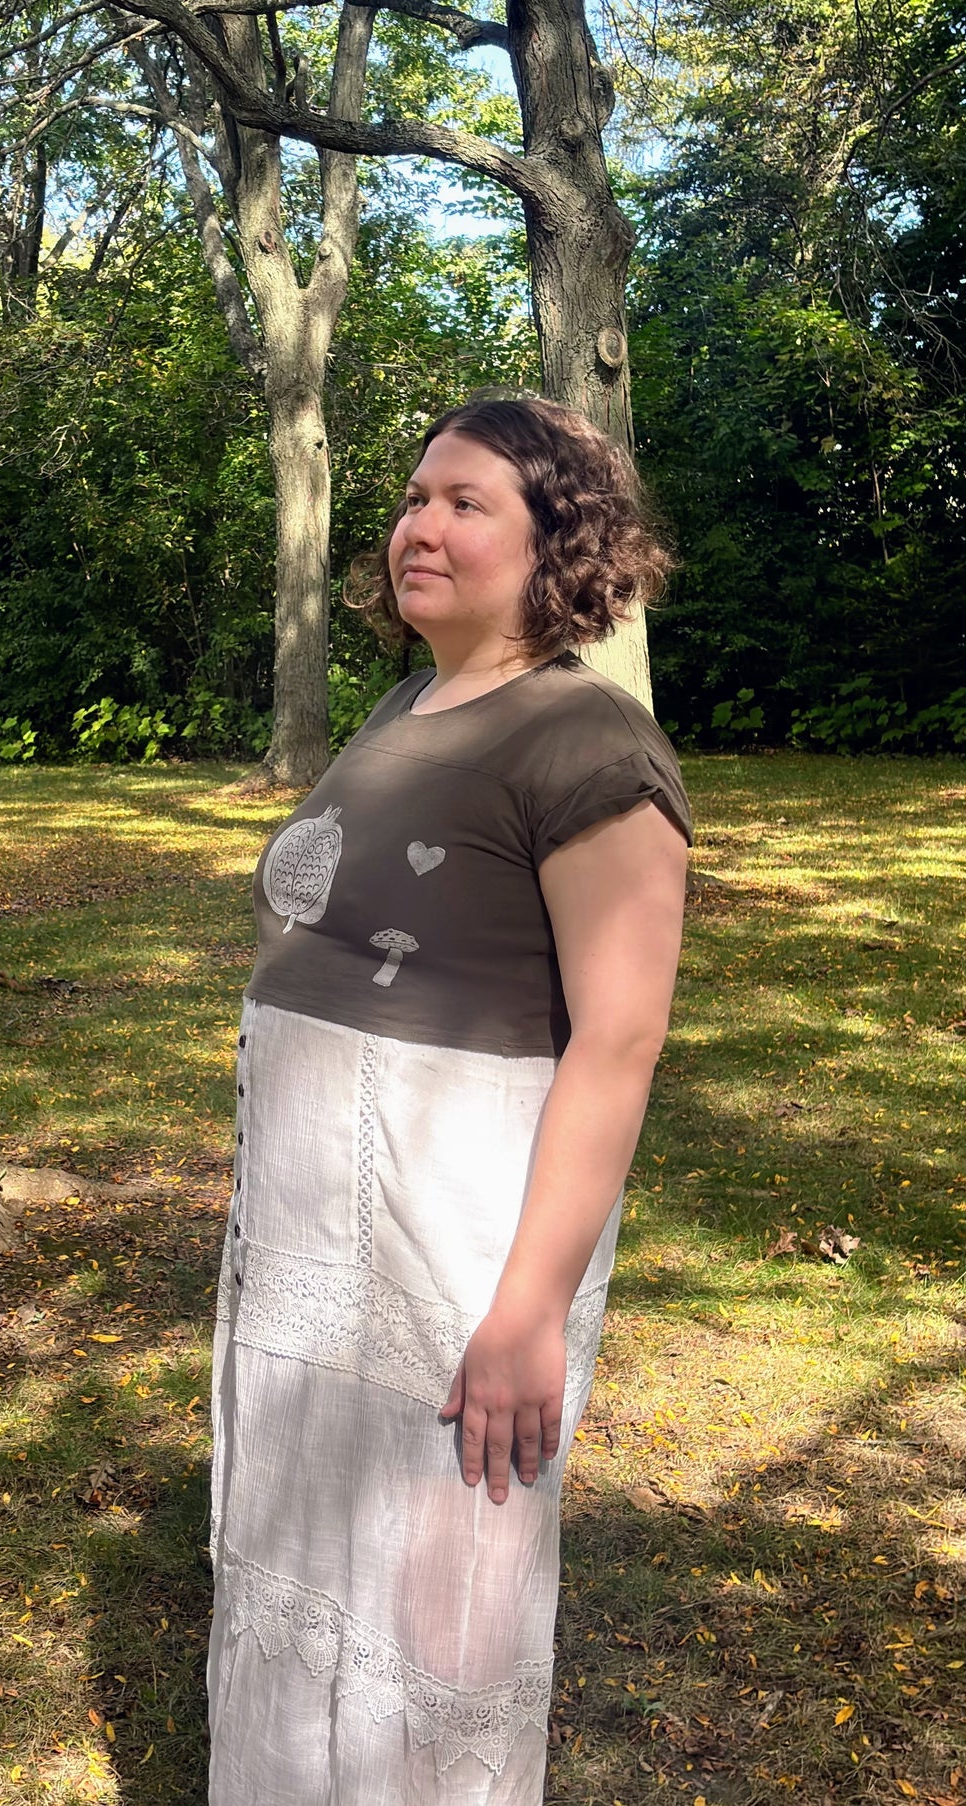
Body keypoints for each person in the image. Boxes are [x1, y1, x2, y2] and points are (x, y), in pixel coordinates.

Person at [207, 396, 692, 1805]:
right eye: (414, 496)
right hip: (316, 1251)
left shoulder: (587, 744)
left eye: (466, 502)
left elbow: (619, 1037)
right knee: (309, 1564)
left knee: (436, 1607)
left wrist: (528, 1307)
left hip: (454, 1248)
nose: (419, 524)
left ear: (556, 542)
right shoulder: (402, 707)